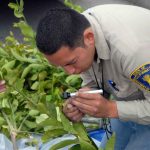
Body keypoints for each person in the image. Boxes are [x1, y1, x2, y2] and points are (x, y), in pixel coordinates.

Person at [36, 1, 150, 150]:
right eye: (61, 66)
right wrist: (83, 101)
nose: (70, 72)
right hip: (129, 97)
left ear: (89, 38)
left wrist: (110, 109)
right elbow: (95, 75)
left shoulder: (133, 51)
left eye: (72, 62)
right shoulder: (81, 30)